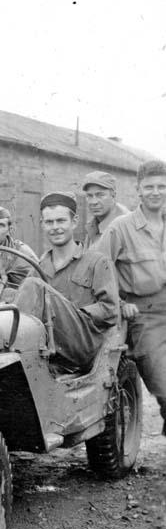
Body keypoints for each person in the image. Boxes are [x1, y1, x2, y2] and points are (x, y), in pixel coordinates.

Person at [98, 160, 166, 435]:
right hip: (143, 317)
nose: (156, 192)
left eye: (161, 186)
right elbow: (98, 268)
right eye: (149, 186)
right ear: (138, 189)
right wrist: (120, 303)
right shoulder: (121, 227)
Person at [15, 191, 119, 370]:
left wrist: (70, 313)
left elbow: (110, 309)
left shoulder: (96, 262)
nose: (55, 227)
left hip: (84, 345)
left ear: (75, 222)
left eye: (61, 220)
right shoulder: (39, 267)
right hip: (48, 344)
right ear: (42, 225)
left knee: (32, 286)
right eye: (49, 222)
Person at [82, 171, 129, 250]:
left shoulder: (127, 226)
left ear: (113, 195)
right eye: (89, 196)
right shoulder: (93, 225)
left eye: (100, 195)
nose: (94, 202)